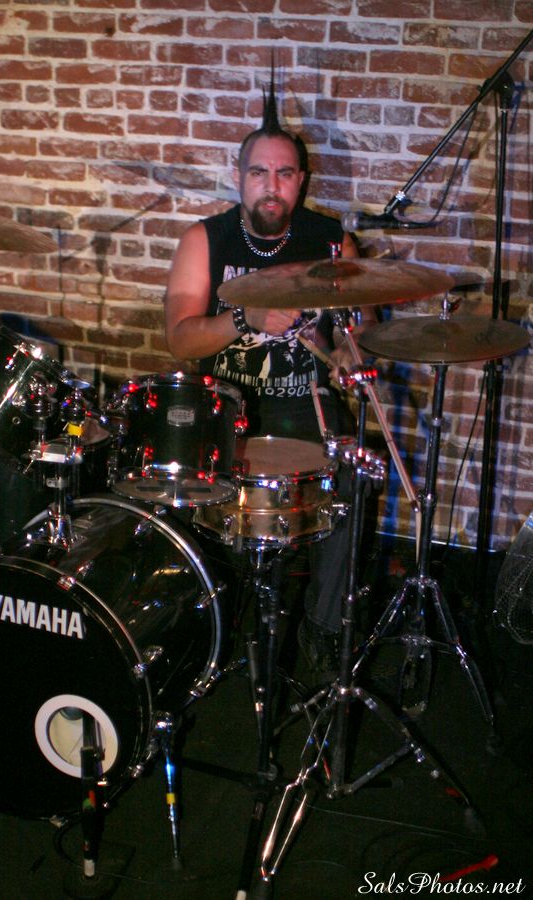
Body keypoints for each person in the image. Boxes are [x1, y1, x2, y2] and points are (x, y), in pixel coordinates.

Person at [164, 94, 375, 678]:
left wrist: (347, 354)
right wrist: (244, 318)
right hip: (227, 406)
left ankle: (323, 624)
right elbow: (179, 340)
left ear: (301, 180)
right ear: (239, 176)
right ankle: (204, 616)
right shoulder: (205, 240)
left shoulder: (331, 243)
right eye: (259, 172)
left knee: (356, 474)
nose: (271, 187)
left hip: (307, 405)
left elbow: (358, 332)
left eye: (284, 174)